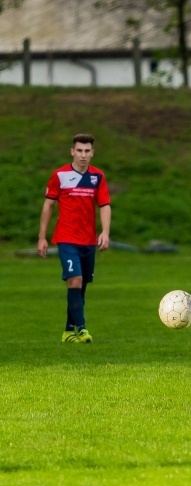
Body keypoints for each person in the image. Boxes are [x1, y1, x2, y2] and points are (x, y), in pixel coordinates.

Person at [38, 134, 111, 343]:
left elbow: (104, 205)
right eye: (79, 150)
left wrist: (104, 232)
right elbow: (48, 206)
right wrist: (42, 237)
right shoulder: (59, 175)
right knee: (75, 280)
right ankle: (83, 329)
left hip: (88, 241)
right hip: (66, 238)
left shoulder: (98, 177)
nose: (83, 155)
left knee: (81, 285)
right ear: (72, 151)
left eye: (87, 151)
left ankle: (69, 331)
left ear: (92, 153)